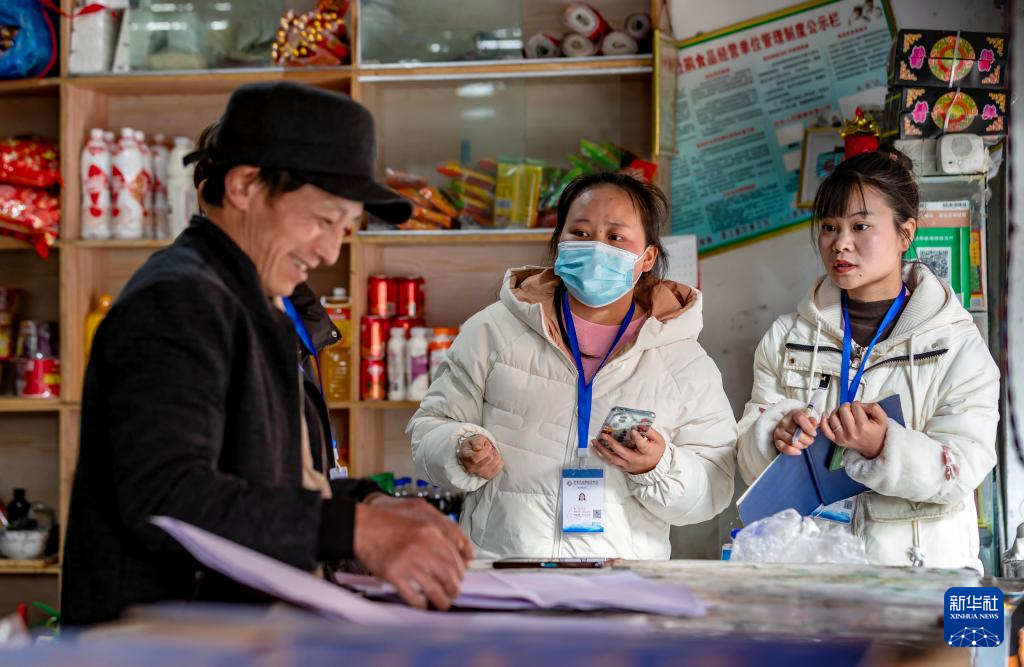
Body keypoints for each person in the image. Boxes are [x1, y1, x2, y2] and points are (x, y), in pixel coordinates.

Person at [62, 82, 472, 626]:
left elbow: (266, 479)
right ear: (244, 186)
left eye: (345, 229)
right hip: (164, 643)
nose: (329, 251)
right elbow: (169, 497)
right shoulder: (179, 302)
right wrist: (355, 530)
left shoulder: (260, 303)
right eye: (323, 220)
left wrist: (367, 504)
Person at [408, 172, 736, 560]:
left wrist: (657, 467)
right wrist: (458, 448)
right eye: (580, 233)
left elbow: (713, 488)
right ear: (559, 242)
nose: (596, 247)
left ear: (647, 257)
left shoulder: (683, 361)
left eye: (616, 237)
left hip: (623, 581)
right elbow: (429, 427)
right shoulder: (493, 331)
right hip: (506, 570)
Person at [735, 149, 999, 570]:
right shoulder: (788, 339)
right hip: (814, 572)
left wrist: (883, 446)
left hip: (921, 575)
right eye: (829, 227)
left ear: (905, 234)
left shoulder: (956, 344)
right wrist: (773, 433)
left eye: (860, 226)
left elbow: (965, 466)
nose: (840, 243)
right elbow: (747, 458)